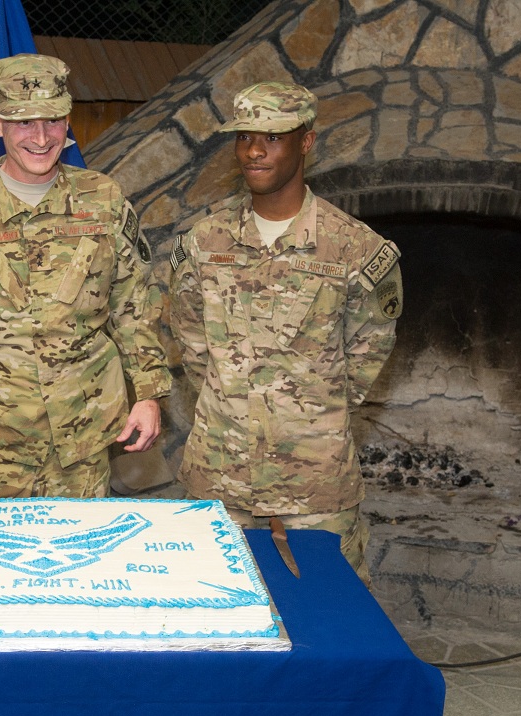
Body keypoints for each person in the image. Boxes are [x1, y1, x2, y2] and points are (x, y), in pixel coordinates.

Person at [0, 54, 171, 499]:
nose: (41, 138)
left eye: (53, 121)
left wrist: (149, 393)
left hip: (82, 437)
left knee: (77, 558)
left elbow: (134, 304)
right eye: (23, 122)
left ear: (67, 119)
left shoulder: (104, 201)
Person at [168, 82, 403, 583]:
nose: (254, 150)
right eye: (245, 137)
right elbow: (190, 342)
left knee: (335, 616)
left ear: (307, 143)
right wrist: (231, 398)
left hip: (314, 479)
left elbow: (368, 352)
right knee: (215, 615)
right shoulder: (204, 241)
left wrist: (308, 413)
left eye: (273, 138)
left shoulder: (355, 249)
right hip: (220, 471)